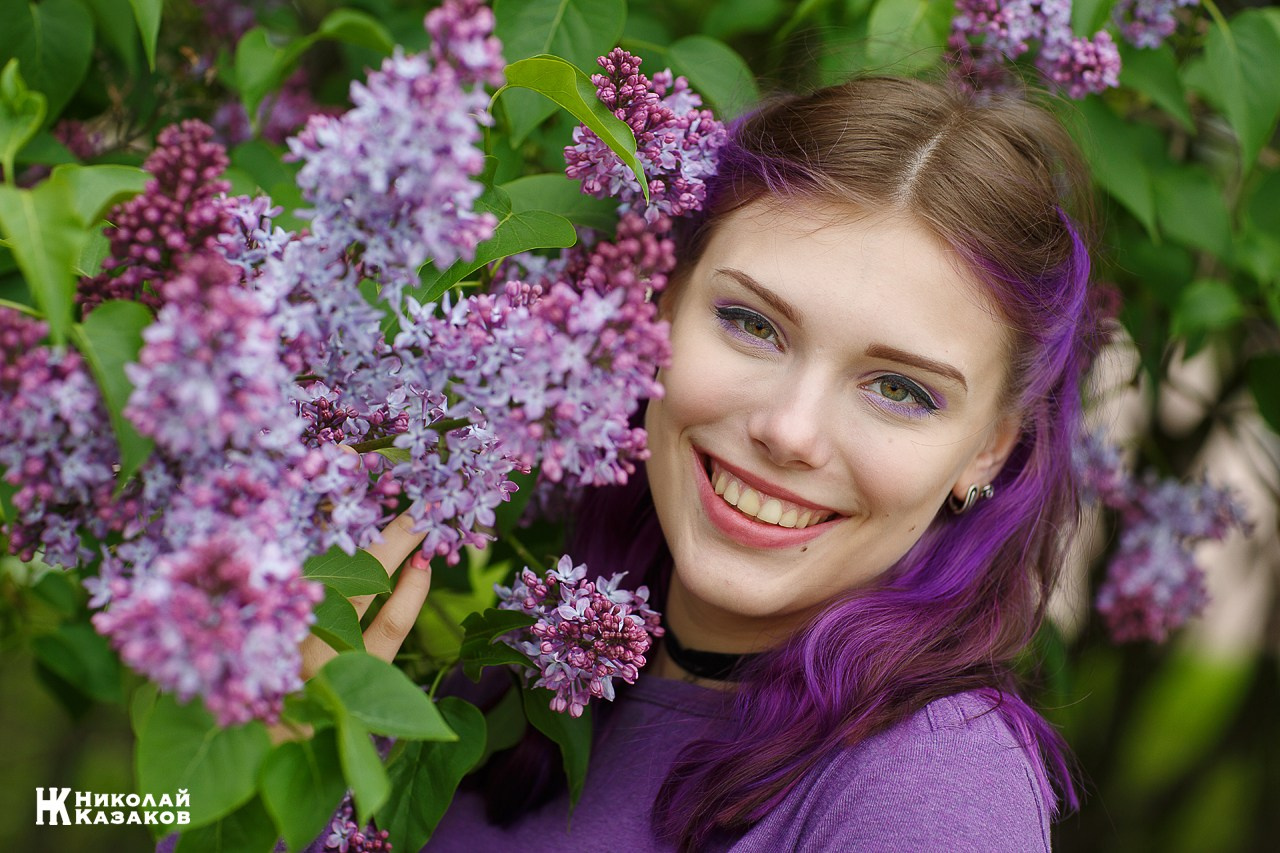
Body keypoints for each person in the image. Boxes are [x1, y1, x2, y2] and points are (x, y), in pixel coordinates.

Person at [306, 74, 1100, 852]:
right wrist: (293, 737)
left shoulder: (930, 787)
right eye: (752, 323)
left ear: (989, 446)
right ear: (658, 310)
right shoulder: (515, 679)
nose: (789, 431)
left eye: (900, 389)